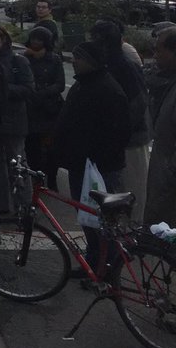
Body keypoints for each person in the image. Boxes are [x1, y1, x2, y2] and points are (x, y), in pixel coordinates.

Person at [53, 42, 130, 278]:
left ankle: (108, 268)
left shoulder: (108, 89)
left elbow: (119, 133)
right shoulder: (82, 84)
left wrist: (95, 160)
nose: (74, 61)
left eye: (79, 57)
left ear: (92, 61)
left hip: (99, 169)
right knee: (87, 218)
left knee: (104, 222)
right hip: (80, 164)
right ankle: (94, 262)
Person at [91, 18, 150, 213]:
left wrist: (120, 131)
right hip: (114, 141)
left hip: (130, 141)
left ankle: (136, 229)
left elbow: (138, 103)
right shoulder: (105, 64)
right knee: (116, 192)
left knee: (132, 192)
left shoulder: (124, 66)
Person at [0, 23, 33, 213]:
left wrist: (4, 90)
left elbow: (28, 89)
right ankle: (2, 206)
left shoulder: (17, 61)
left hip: (13, 121)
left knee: (18, 165)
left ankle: (24, 205)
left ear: (3, 40)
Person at [23, 26, 66, 191]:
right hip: (32, 110)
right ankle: (36, 179)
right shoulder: (24, 59)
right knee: (32, 148)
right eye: (33, 39)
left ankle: (52, 179)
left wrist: (44, 93)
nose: (35, 42)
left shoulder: (54, 59)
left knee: (51, 149)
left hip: (50, 110)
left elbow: (60, 84)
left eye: (39, 40)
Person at [145, 28, 176, 224]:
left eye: (158, 50)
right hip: (163, 178)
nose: (154, 56)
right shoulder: (166, 83)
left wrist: (169, 174)